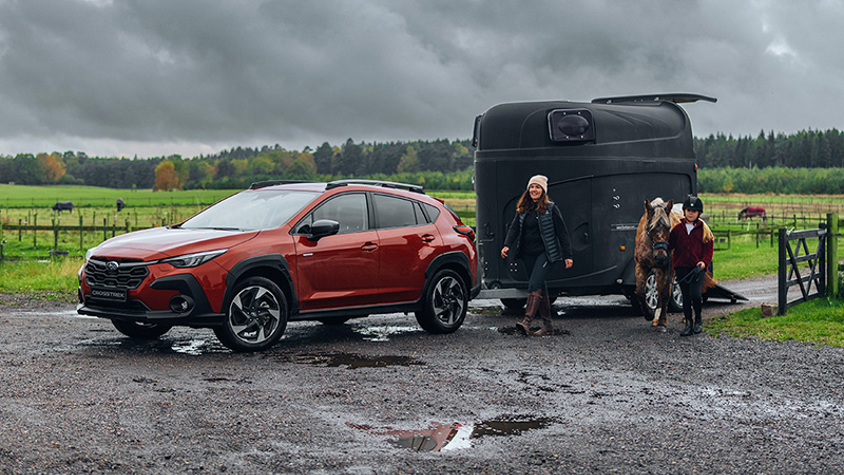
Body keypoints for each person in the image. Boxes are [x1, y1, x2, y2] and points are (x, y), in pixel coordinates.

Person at [501, 175, 573, 336]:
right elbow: (514, 229)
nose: (534, 190)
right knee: (541, 288)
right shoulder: (523, 209)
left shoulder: (551, 208)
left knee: (534, 284)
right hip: (527, 254)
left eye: (537, 187)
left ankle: (527, 321)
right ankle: (548, 325)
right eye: (532, 187)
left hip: (546, 254)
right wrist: (506, 245)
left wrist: (568, 255)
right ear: (528, 190)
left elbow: (562, 232)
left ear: (543, 191)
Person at [668, 195, 714, 337]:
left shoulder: (704, 229)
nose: (691, 213)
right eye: (688, 210)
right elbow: (671, 245)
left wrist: (704, 262)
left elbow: (709, 248)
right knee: (685, 296)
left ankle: (698, 319)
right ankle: (688, 322)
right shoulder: (677, 230)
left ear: (698, 213)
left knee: (695, 294)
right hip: (681, 267)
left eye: (694, 211)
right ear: (684, 211)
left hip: (697, 268)